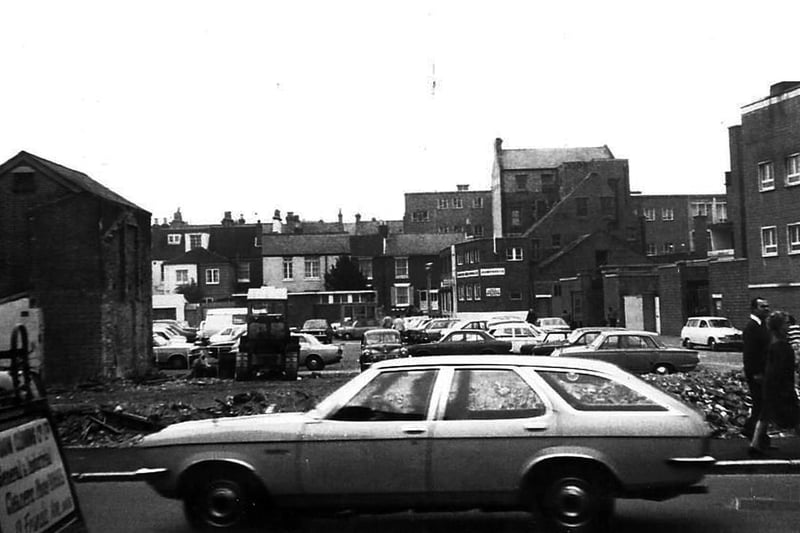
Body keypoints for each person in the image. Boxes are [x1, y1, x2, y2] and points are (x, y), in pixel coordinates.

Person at [750, 310, 800, 455]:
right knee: (796, 416)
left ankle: (755, 444)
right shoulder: (783, 348)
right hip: (781, 388)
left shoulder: (773, 345)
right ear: (779, 326)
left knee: (765, 415)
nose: (789, 326)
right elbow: (779, 371)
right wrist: (787, 389)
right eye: (786, 323)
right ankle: (755, 444)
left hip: (771, 386)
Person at [742, 297, 772, 443]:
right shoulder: (751, 327)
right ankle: (753, 433)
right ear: (754, 309)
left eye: (767, 306)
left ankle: (757, 435)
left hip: (763, 372)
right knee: (760, 404)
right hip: (756, 374)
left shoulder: (762, 325)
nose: (766, 309)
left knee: (762, 404)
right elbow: (749, 354)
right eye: (762, 306)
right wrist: (755, 373)